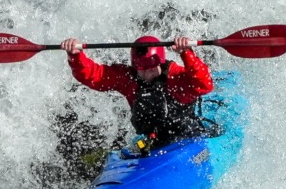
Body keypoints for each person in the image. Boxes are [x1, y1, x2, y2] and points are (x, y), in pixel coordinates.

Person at [61, 34, 214, 149]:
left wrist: (186, 53)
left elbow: (205, 84)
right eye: (142, 70)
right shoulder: (128, 78)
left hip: (187, 141)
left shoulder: (175, 76)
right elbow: (94, 76)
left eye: (151, 69)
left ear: (160, 63)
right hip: (153, 142)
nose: (147, 74)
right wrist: (75, 55)